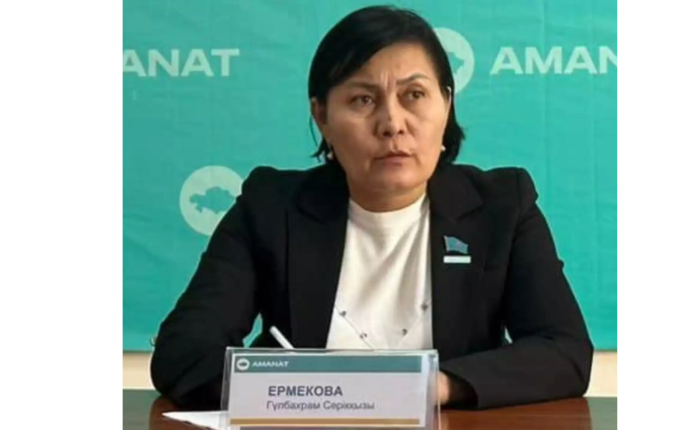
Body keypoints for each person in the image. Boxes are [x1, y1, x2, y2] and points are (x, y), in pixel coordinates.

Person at [150, 5, 593, 411]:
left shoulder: (502, 206)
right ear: (322, 116)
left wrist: (437, 387)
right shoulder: (270, 207)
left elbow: (564, 350)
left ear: (446, 104)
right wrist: (310, 392)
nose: (392, 124)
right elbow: (183, 353)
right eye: (363, 100)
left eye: (414, 95)